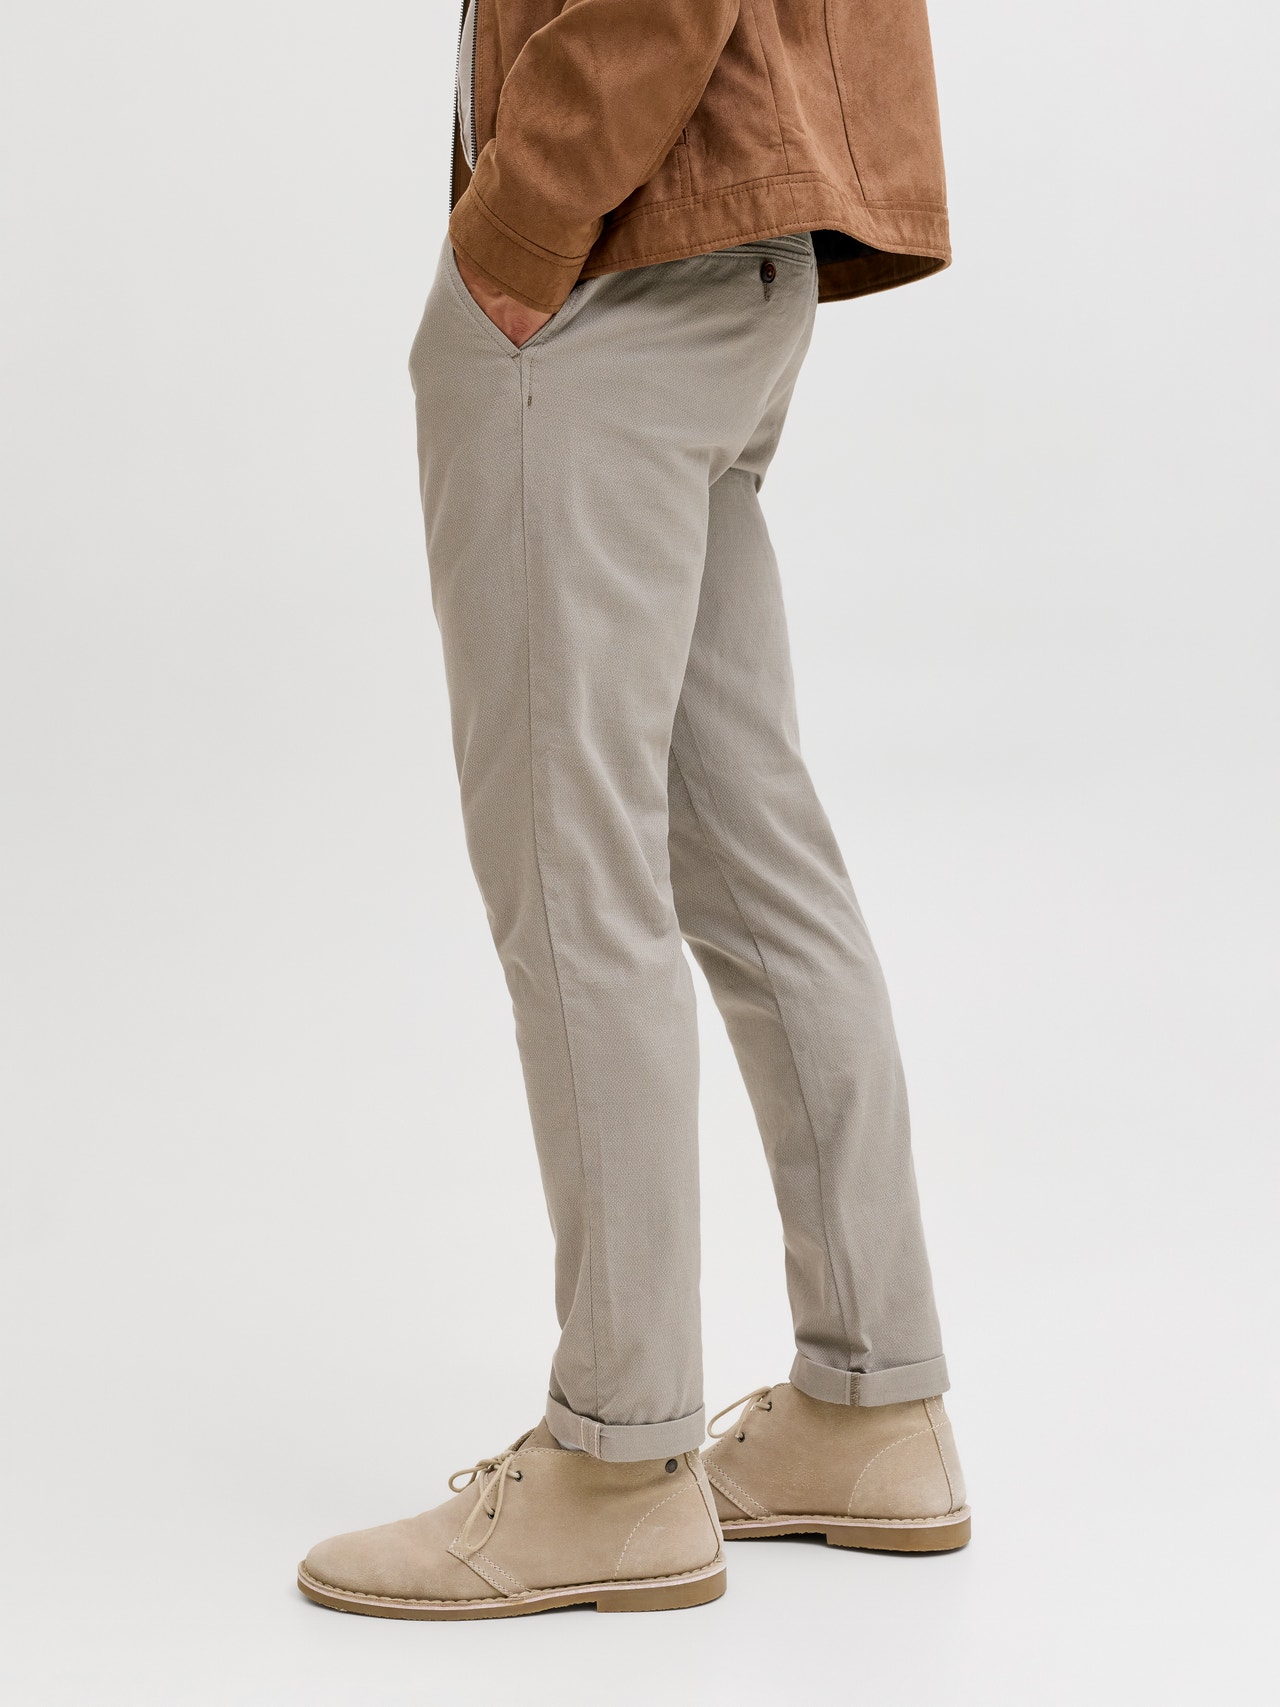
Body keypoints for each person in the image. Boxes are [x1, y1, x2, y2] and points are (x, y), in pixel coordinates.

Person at [299, 0, 967, 1620]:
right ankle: (869, 1411)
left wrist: (517, 224)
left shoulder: (567, 238)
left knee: (571, 870)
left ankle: (616, 1464)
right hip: (734, 245)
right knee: (752, 859)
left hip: (614, 257)